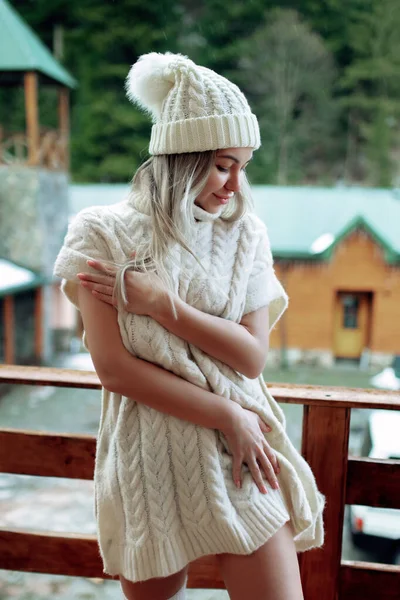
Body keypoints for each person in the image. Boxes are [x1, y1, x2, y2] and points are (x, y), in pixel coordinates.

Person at [54, 52, 325, 600]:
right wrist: (226, 412)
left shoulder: (247, 234)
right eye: (224, 164)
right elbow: (113, 369)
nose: (234, 184)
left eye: (243, 166)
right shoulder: (99, 234)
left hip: (242, 451)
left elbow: (250, 357)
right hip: (148, 455)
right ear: (182, 155)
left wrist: (164, 305)